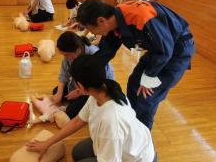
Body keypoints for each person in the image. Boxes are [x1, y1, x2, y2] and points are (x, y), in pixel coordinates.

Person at [76, 0, 195, 130]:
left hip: (176, 52)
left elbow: (166, 50)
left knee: (146, 96)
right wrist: (86, 73)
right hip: (158, 50)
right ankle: (130, 122)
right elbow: (106, 51)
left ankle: (142, 138)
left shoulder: (141, 17)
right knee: (134, 83)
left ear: (101, 20)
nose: (92, 33)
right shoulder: (113, 22)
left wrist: (149, 76)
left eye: (90, 29)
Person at [27, 54, 156, 162]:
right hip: (119, 141)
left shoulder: (111, 122)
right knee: (77, 153)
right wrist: (47, 143)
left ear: (81, 86)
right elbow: (78, 121)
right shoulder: (100, 91)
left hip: (137, 157)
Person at [52, 31, 114, 119]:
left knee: (70, 113)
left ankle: (78, 104)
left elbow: (101, 83)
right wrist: (59, 93)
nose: (65, 57)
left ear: (77, 50)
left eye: (66, 55)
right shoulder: (69, 55)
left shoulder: (94, 55)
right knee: (56, 91)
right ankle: (76, 102)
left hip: (94, 90)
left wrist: (80, 92)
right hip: (80, 86)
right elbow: (64, 74)